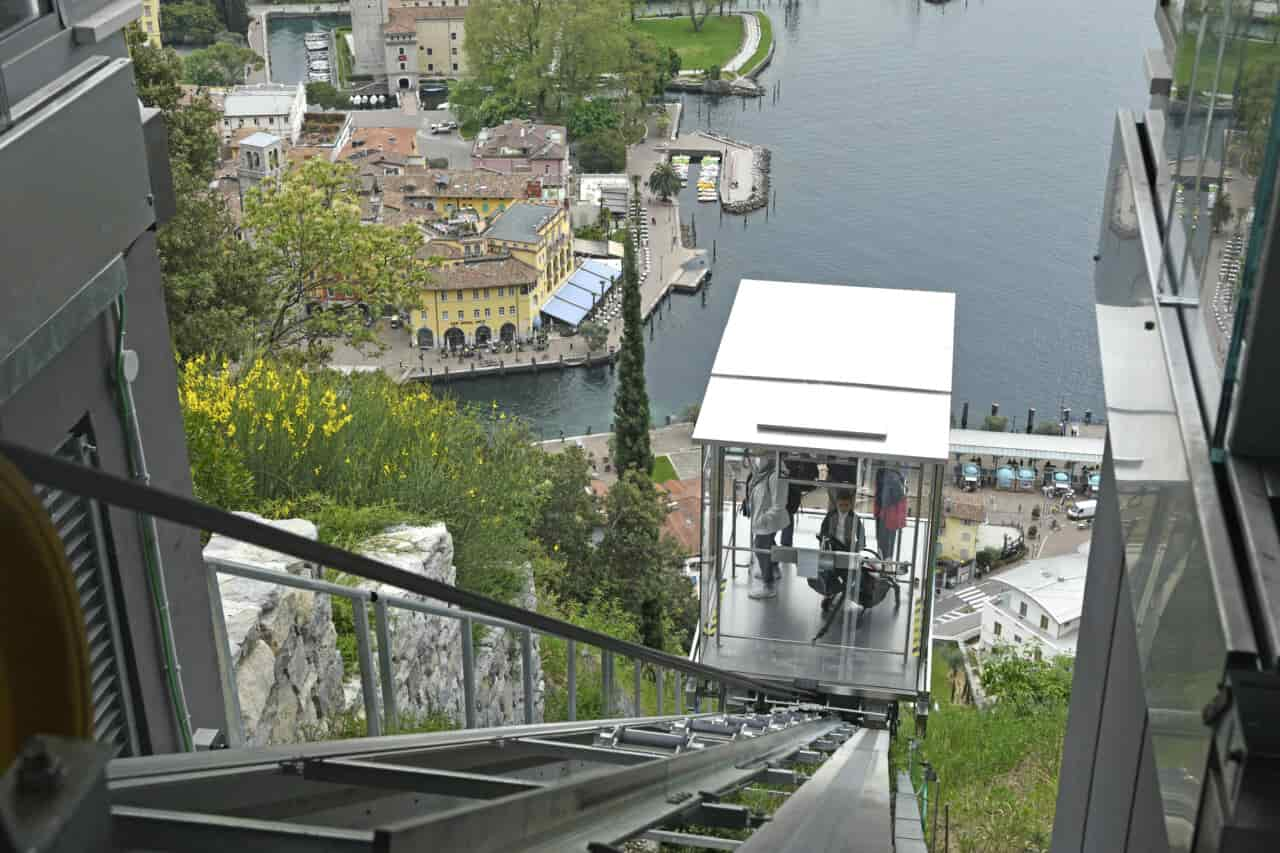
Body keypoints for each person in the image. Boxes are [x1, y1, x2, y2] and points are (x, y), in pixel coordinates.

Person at [744, 450, 789, 599]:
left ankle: (768, 584)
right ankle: (773, 569)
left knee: (760, 547)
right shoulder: (765, 470)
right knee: (768, 544)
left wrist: (762, 519)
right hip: (763, 520)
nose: (757, 458)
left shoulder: (776, 474)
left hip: (767, 521)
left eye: (760, 454)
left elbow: (779, 504)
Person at [815, 490, 864, 611]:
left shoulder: (855, 518)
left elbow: (862, 538)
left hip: (847, 549)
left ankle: (840, 593)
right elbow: (823, 532)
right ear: (836, 504)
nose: (843, 508)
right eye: (841, 505)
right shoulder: (831, 515)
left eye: (846, 505)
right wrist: (823, 543)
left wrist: (856, 549)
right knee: (829, 572)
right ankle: (830, 593)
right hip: (832, 547)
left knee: (844, 573)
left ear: (851, 505)